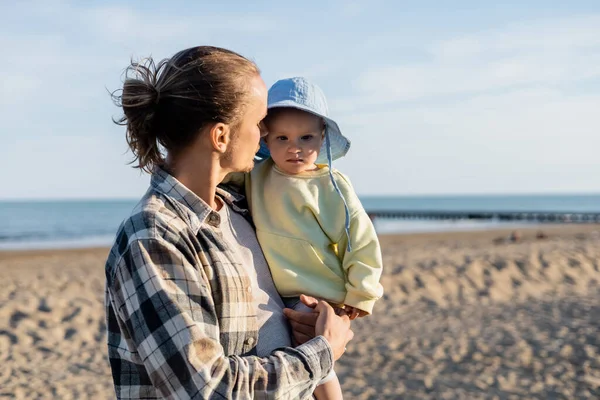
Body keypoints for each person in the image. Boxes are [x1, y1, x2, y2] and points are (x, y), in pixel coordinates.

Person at [105, 46, 353, 400]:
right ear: (221, 136)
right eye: (259, 121)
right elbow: (206, 388)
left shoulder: (240, 210)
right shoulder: (154, 236)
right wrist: (323, 351)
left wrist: (313, 322)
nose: (266, 131)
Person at [224, 77, 384, 400]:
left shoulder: (330, 185)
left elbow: (360, 240)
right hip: (274, 293)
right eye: (282, 137)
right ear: (266, 137)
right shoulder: (257, 174)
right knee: (284, 357)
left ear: (322, 136)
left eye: (305, 137)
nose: (294, 147)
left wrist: (359, 294)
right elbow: (221, 174)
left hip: (315, 292)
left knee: (315, 353)